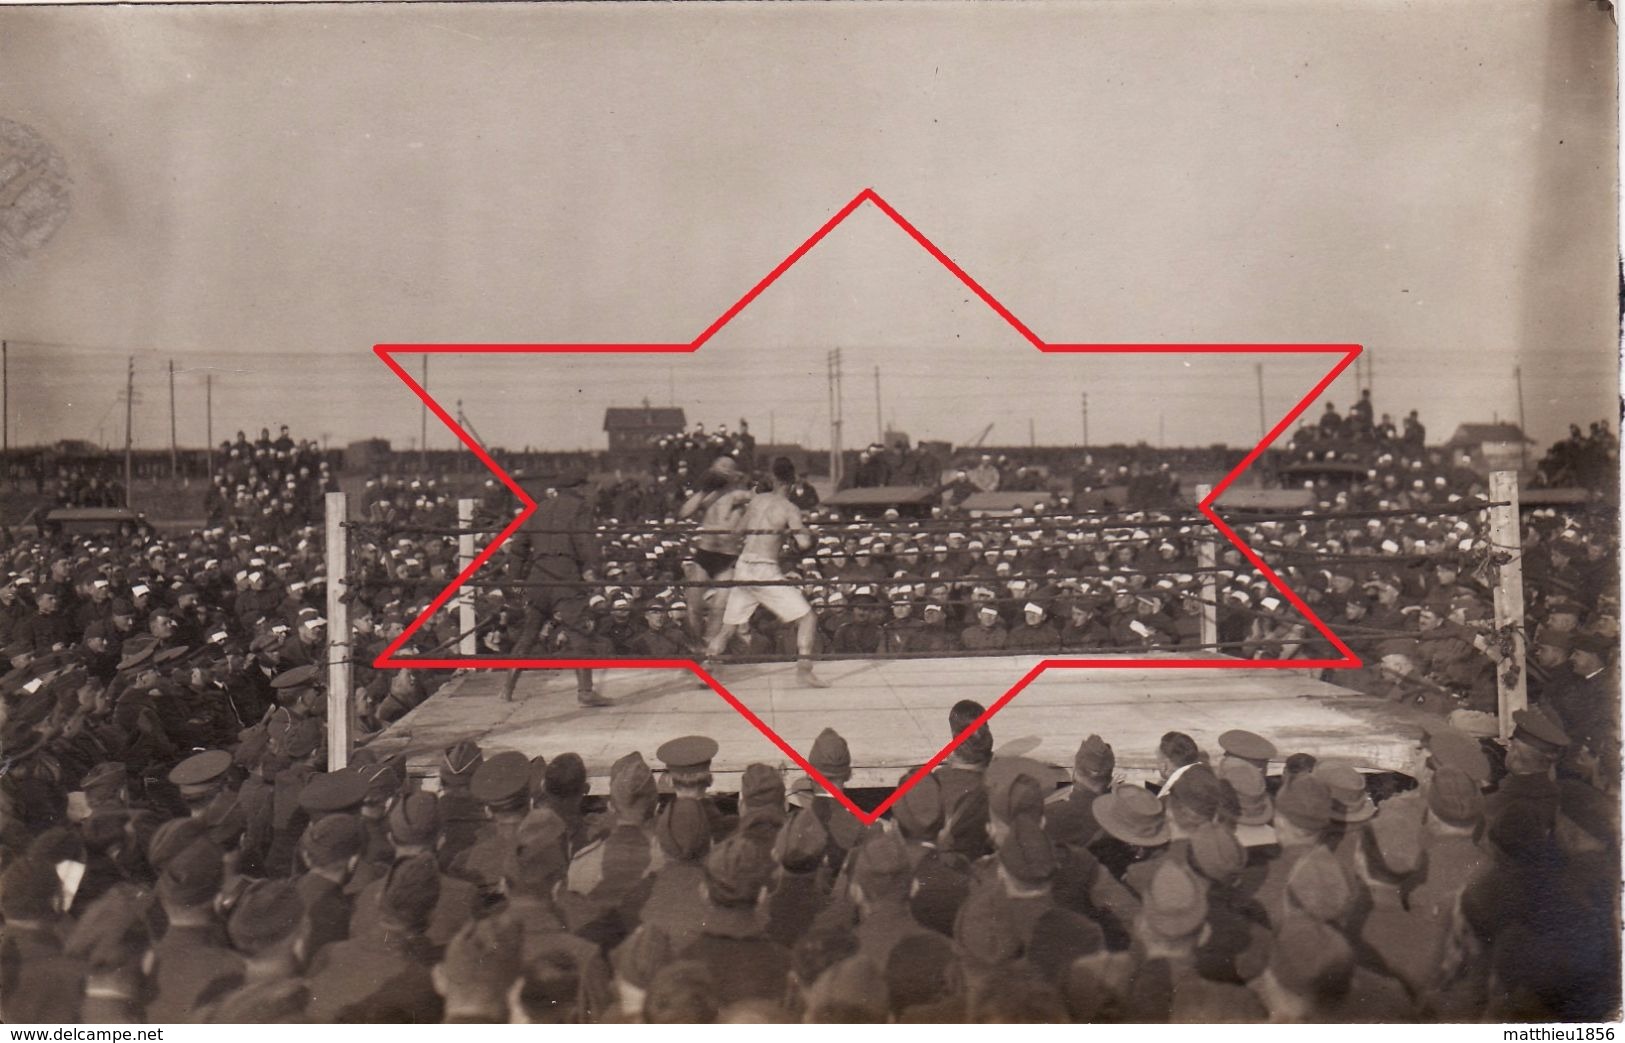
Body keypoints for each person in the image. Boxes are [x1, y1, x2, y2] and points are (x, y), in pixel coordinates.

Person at [703, 457, 827, 688]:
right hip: (765, 569)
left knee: (730, 626)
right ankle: (804, 671)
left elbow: (737, 532)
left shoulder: (757, 501)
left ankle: (708, 667)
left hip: (744, 566)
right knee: (808, 618)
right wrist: (805, 533)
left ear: (774, 478)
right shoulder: (790, 508)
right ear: (790, 483)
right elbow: (802, 543)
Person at [500, 471, 607, 707]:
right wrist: (591, 572)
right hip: (565, 575)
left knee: (529, 633)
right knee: (578, 632)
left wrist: (514, 579)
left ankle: (507, 688)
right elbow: (584, 543)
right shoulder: (581, 507)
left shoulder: (538, 508)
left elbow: (519, 547)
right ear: (578, 487)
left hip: (538, 577)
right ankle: (585, 691)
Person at [677, 458, 751, 648]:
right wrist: (704, 490)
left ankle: (710, 646)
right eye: (720, 468)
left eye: (727, 469)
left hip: (727, 555)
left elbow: (754, 497)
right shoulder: (708, 496)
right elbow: (684, 513)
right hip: (706, 552)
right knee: (693, 604)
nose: (723, 472)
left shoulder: (741, 495)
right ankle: (696, 646)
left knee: (720, 606)